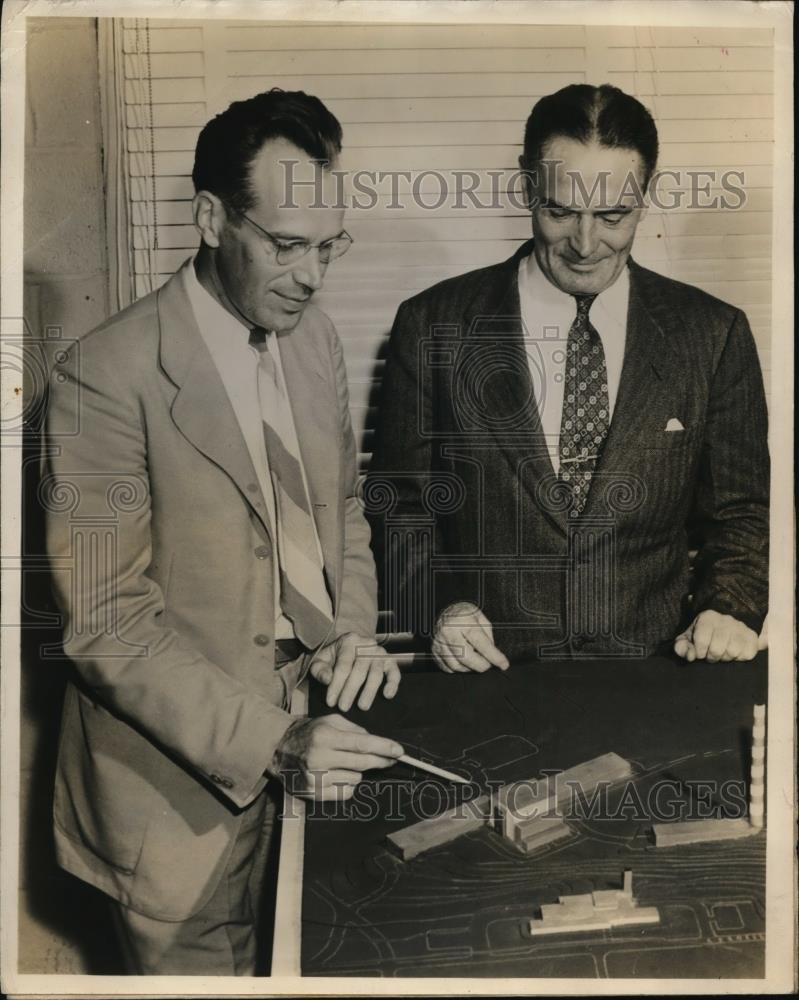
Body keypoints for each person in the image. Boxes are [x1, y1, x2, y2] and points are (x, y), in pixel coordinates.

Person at [44, 89, 405, 975]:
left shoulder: (312, 339)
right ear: (210, 217)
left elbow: (340, 513)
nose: (312, 276)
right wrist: (274, 743)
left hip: (319, 761)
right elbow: (108, 624)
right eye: (285, 246)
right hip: (177, 808)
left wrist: (347, 631)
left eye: (328, 247)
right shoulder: (102, 376)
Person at [367, 83, 768, 672]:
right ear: (527, 186)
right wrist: (437, 607)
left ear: (646, 196)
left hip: (657, 679)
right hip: (488, 682)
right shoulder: (433, 324)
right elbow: (395, 507)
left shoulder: (713, 335)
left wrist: (729, 607)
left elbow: (741, 515)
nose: (585, 244)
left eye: (612, 215)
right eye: (560, 211)